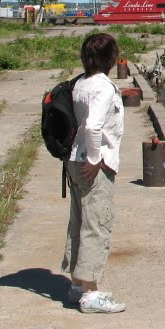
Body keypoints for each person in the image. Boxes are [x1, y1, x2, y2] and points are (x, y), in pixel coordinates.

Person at [62, 32, 126, 313]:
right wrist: (96, 158)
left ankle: (77, 285)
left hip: (73, 158)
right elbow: (93, 127)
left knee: (79, 220)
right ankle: (91, 294)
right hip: (91, 161)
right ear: (110, 58)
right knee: (97, 223)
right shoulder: (103, 87)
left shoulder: (79, 83)